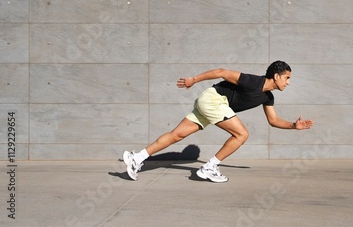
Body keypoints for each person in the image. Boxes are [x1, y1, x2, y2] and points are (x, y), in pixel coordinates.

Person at [122, 60, 314, 183]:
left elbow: (273, 120)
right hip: (214, 100)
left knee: (176, 135)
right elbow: (222, 71)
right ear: (276, 76)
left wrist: (293, 126)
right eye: (287, 78)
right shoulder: (253, 81)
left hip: (212, 104)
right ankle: (209, 167)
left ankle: (136, 158)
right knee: (242, 134)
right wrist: (193, 80)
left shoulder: (267, 97)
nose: (288, 82)